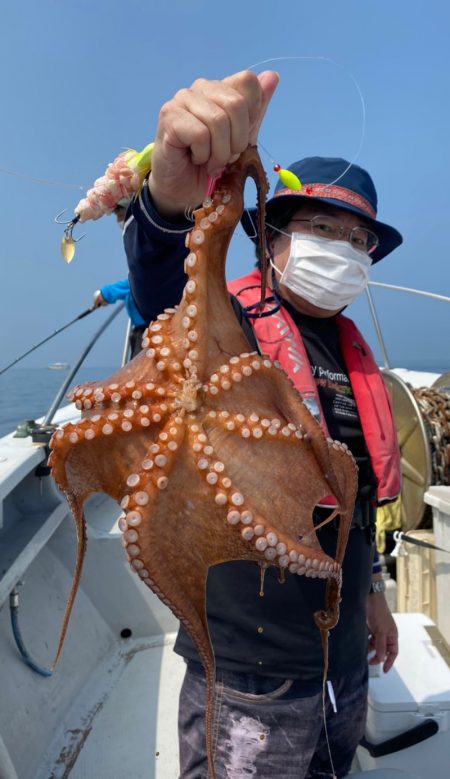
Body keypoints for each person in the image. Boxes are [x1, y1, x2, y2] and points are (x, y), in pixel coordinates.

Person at [123, 70, 402, 779]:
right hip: (249, 664)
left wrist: (372, 600)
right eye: (321, 228)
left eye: (357, 238)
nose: (344, 248)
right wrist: (166, 211)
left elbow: (358, 503)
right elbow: (167, 310)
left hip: (340, 655)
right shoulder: (232, 324)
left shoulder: (353, 355)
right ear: (271, 236)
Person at [92, 202, 146, 359]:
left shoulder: (143, 240)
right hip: (143, 330)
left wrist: (106, 294)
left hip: (149, 331)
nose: (119, 220)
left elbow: (140, 281)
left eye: (120, 214)